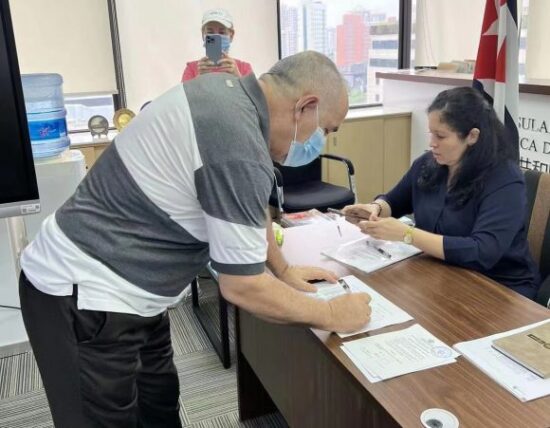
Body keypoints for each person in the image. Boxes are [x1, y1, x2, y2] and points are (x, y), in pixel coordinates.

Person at [19, 51, 372, 428]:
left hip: (136, 294)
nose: (324, 142)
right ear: (306, 107)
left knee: (159, 408)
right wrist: (334, 314)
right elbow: (243, 288)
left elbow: (244, 208)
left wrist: (282, 269)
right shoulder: (237, 140)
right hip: (84, 293)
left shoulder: (228, 97)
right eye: (327, 130)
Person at [343, 86, 541, 299]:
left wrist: (407, 234)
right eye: (431, 133)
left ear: (472, 136)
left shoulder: (504, 179)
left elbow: (483, 252)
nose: (432, 143)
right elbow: (394, 200)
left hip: (498, 287)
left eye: (441, 136)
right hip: (442, 274)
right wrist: (375, 209)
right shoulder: (428, 164)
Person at [181, 8, 253, 82]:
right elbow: (182, 93)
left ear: (231, 35)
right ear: (203, 34)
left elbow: (253, 93)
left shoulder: (244, 68)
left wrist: (237, 76)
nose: (216, 37)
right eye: (210, 32)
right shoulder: (191, 68)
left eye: (222, 32)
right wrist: (199, 78)